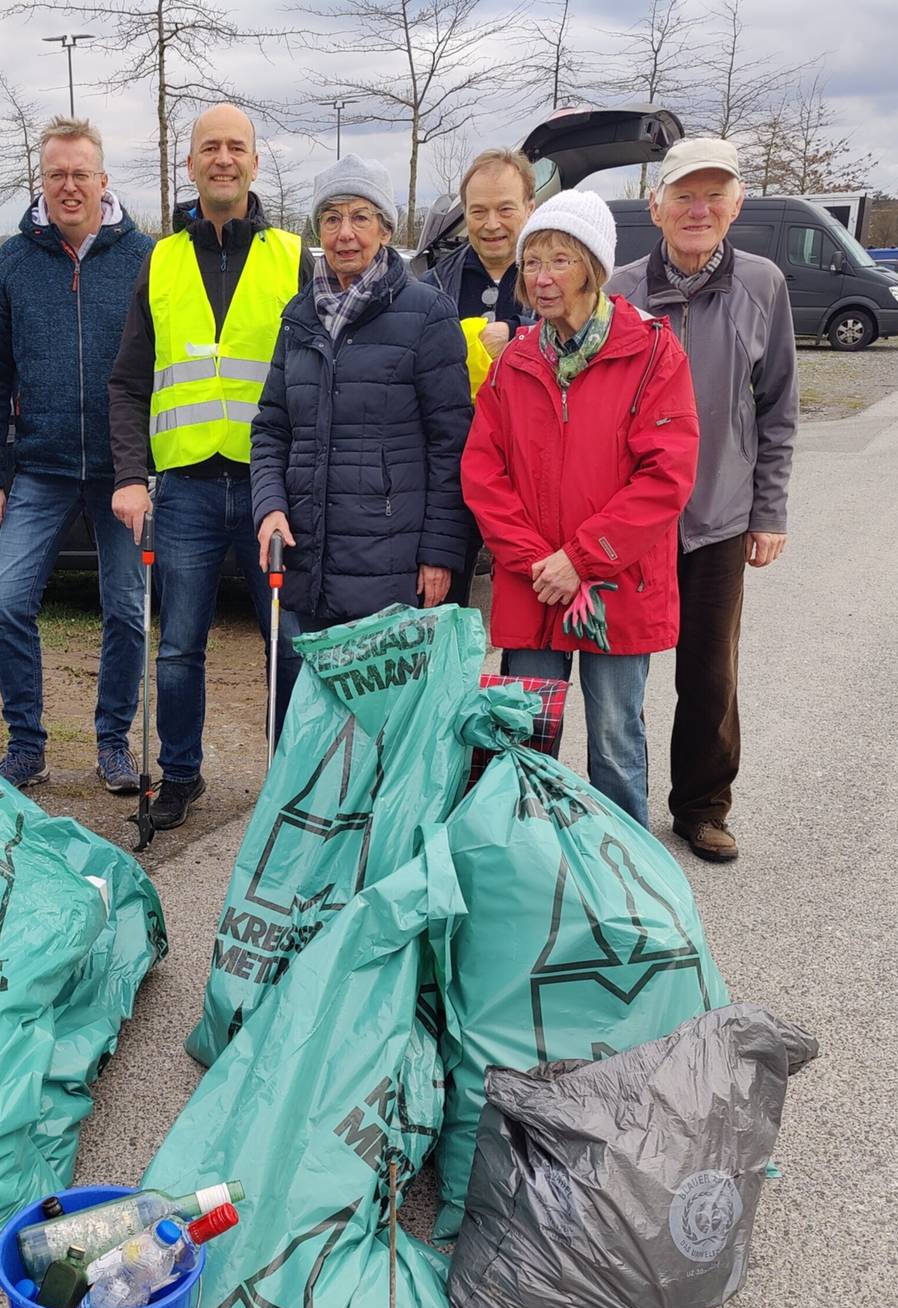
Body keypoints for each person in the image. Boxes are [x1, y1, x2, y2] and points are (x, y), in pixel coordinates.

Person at [460, 188, 700, 828]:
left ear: (593, 269)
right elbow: (483, 472)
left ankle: (620, 873)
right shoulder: (513, 363)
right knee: (524, 740)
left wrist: (583, 559)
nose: (541, 278)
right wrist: (539, 562)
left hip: (616, 587)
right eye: (532, 262)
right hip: (535, 585)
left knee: (615, 743)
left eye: (560, 261)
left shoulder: (652, 353)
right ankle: (525, 865)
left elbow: (666, 476)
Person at [108, 103, 310, 830]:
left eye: (236, 147)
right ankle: (181, 775)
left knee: (289, 643)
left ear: (254, 162)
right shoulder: (159, 260)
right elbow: (128, 381)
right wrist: (131, 476)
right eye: (209, 148)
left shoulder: (294, 257)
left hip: (271, 488)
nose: (223, 159)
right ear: (191, 164)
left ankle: (294, 778)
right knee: (179, 648)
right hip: (186, 487)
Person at [609, 136, 797, 864]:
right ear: (656, 207)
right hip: (634, 522)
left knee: (709, 673)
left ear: (736, 204)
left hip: (719, 515)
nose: (699, 209)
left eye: (714, 195)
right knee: (619, 675)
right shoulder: (620, 290)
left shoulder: (763, 285)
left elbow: (777, 406)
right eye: (684, 195)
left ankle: (702, 806)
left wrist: (768, 511)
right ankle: (615, 807)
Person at [0, 116, 153, 792]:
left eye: (80, 174)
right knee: (6, 600)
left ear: (103, 180)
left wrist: (148, 466)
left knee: (127, 609)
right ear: (41, 181)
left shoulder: (145, 257)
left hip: (121, 471)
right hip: (40, 468)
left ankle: (113, 743)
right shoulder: (14, 262)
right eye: (57, 174)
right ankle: (27, 745)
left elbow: (160, 369)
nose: (69, 186)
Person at [253, 155, 473, 716]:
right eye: (331, 218)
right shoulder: (298, 318)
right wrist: (270, 507)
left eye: (360, 217)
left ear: (386, 229)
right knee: (309, 718)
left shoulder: (428, 314)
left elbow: (451, 445)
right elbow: (271, 427)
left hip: (390, 564)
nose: (345, 233)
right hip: (308, 558)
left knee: (384, 723)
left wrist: (439, 554)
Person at [421, 147, 539, 393]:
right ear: (465, 213)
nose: (492, 224)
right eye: (479, 211)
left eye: (505, 209)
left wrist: (517, 332)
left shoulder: (561, 282)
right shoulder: (431, 288)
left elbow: (578, 342)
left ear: (530, 209)